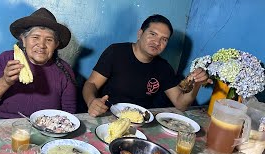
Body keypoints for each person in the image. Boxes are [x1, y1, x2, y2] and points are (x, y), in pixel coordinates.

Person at [82, 14, 211, 117]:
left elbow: (180, 103)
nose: (157, 42)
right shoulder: (116, 52)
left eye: (164, 39)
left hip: (141, 122)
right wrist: (91, 101)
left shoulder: (163, 68)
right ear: (140, 33)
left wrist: (197, 85)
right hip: (108, 115)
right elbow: (91, 84)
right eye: (152, 34)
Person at [0, 8, 76, 120]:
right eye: (35, 37)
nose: (41, 45)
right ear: (23, 39)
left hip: (44, 128)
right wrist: (5, 81)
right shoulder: (6, 59)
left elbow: (69, 115)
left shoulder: (64, 71)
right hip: (0, 122)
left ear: (56, 45)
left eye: (49, 40)